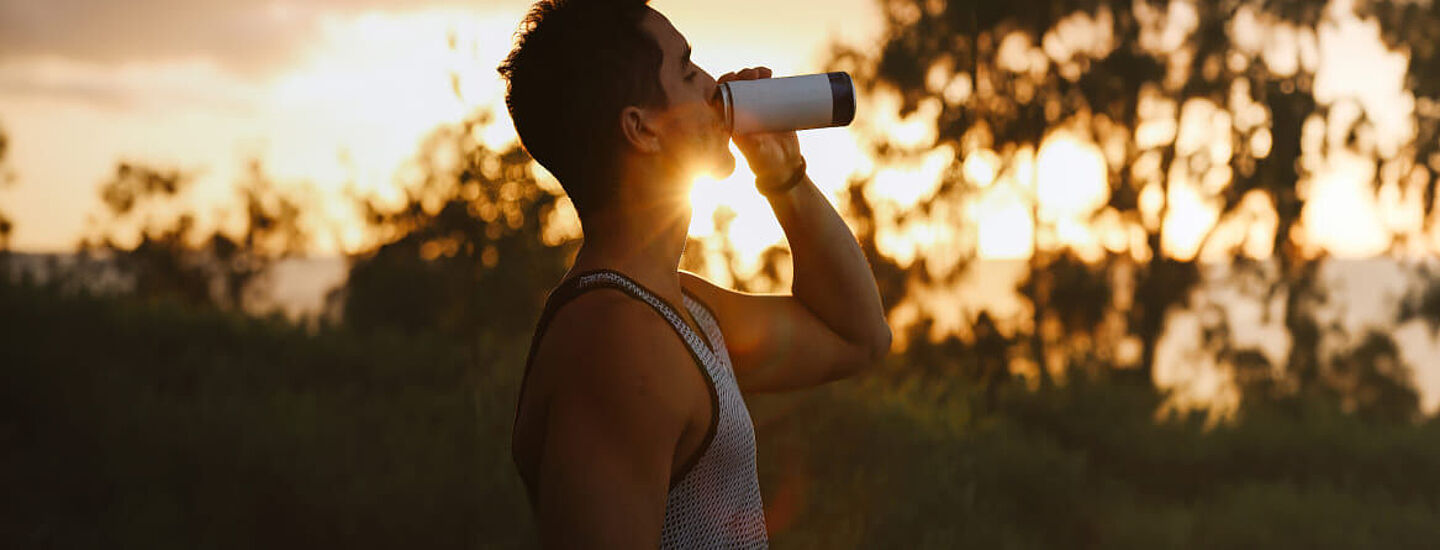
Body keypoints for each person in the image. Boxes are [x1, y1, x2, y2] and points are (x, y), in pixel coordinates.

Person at [498, 0, 892, 546]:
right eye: (686, 69)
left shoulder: (677, 308)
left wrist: (784, 176)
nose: (712, 84)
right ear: (643, 130)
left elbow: (857, 338)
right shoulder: (619, 342)